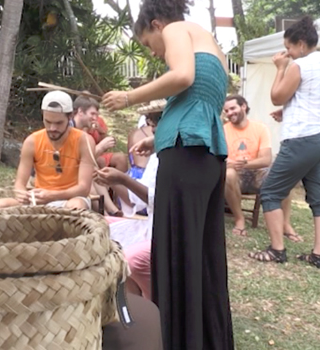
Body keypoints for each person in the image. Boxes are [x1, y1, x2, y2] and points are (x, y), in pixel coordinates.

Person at [100, 0, 235, 348]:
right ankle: (206, 339)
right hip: (201, 155)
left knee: (176, 251)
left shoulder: (176, 29)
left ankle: (178, 339)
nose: (155, 53)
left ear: (157, 25)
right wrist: (159, 142)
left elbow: (182, 77)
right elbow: (194, 98)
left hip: (187, 157)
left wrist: (129, 97)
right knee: (200, 254)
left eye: (147, 43)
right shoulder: (212, 48)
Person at [249, 17, 320, 267]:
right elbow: (309, 99)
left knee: (270, 191)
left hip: (300, 138)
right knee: (318, 197)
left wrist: (280, 67)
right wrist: (288, 112)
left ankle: (277, 250)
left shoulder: (300, 65)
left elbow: (278, 96)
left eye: (289, 48)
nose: (286, 53)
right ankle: (318, 254)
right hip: (318, 138)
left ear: (301, 44)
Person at [0, 90, 95, 211]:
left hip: (70, 199)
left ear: (70, 117)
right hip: (38, 200)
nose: (52, 128)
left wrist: (52, 196)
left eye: (59, 123)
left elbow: (84, 188)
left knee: (76, 206)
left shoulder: (84, 141)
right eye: (48, 122)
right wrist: (22, 194)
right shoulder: (32, 141)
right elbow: (20, 183)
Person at [95, 111, 162, 300]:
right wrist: (115, 180)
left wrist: (122, 179)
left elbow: (156, 200)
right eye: (151, 128)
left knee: (130, 258)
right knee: (98, 226)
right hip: (149, 222)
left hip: (165, 229)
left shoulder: (175, 155)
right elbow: (139, 199)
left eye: (156, 128)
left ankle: (151, 304)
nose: (152, 133)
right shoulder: (157, 155)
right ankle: (130, 302)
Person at [223, 95, 300, 240]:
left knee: (285, 176)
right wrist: (232, 163)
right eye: (226, 111)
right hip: (236, 177)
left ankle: (285, 224)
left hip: (258, 174)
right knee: (228, 174)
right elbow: (222, 158)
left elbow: (266, 160)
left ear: (243, 106)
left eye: (232, 108)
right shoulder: (223, 130)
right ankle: (240, 220)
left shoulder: (260, 128)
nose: (229, 113)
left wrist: (245, 163)